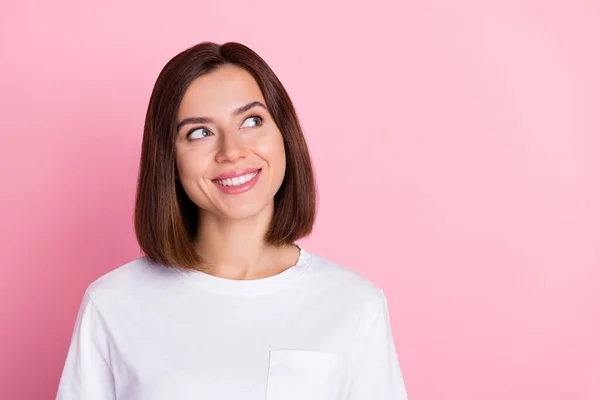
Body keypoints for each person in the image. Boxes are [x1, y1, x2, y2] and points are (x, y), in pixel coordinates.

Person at [56, 41, 409, 400]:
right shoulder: (114, 304)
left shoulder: (354, 305)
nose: (232, 151)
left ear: (284, 135)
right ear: (170, 162)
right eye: (200, 133)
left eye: (251, 121)